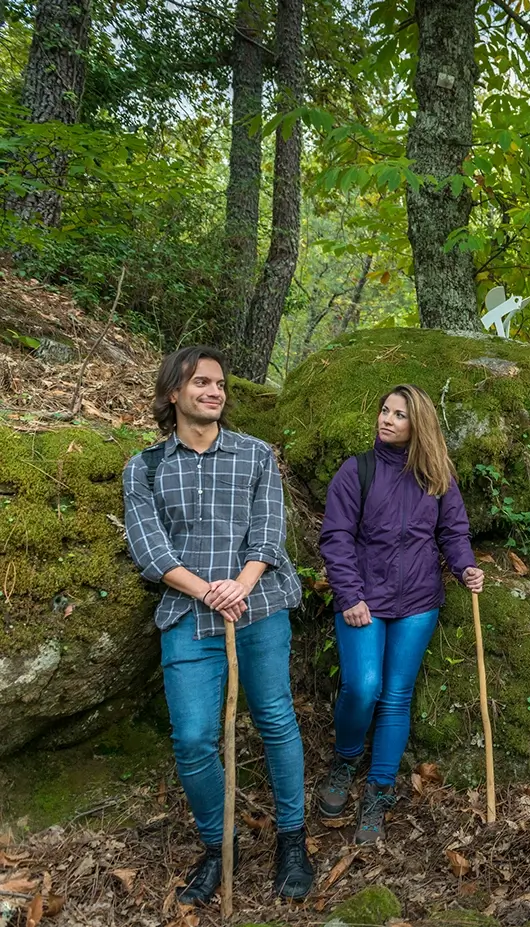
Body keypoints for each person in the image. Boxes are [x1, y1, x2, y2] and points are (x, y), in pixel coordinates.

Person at [122, 346, 313, 903]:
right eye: (201, 382)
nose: (214, 391)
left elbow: (269, 534)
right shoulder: (145, 468)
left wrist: (241, 585)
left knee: (275, 718)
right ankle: (218, 847)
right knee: (192, 739)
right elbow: (150, 550)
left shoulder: (255, 455)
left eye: (220, 384)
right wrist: (207, 590)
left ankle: (292, 839)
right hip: (188, 614)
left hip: (260, 607)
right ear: (173, 393)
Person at [316, 383, 485, 843]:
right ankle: (346, 759)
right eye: (384, 411)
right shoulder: (357, 470)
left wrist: (466, 567)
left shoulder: (436, 475)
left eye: (399, 414)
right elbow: (336, 537)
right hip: (363, 600)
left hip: (417, 601)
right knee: (363, 686)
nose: (387, 420)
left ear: (418, 425)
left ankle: (379, 789)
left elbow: (453, 532)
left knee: (395, 696)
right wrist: (349, 595)